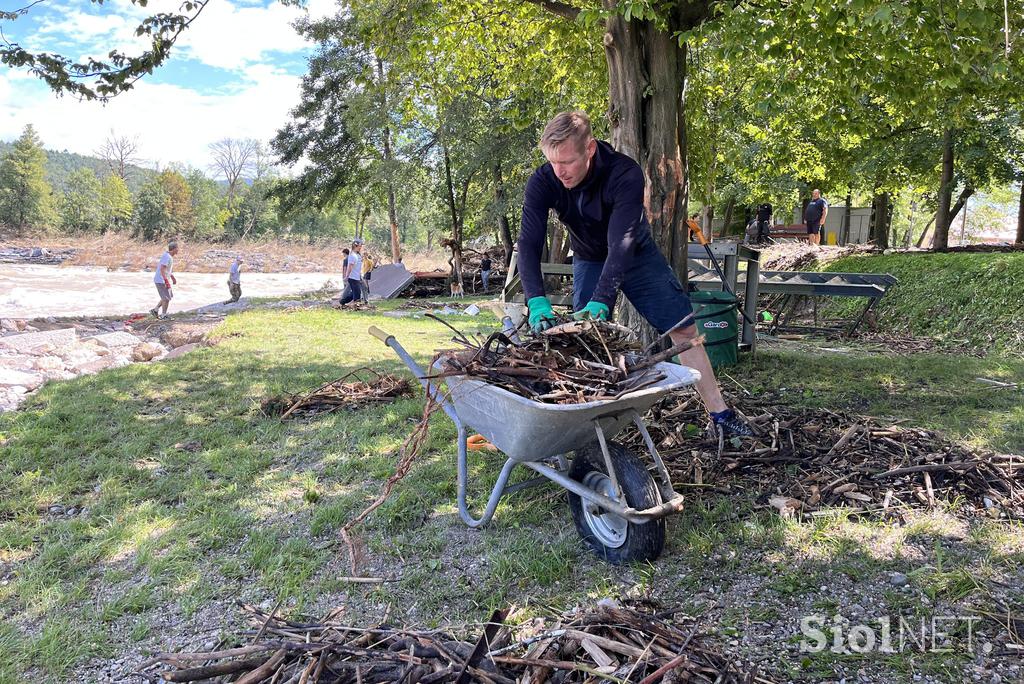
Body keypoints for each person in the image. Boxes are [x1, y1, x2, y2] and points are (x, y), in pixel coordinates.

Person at [518, 111, 752, 437]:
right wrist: (536, 299)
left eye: (567, 162)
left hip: (636, 254)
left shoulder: (623, 173)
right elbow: (528, 243)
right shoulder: (544, 180)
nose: (559, 172)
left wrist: (603, 297)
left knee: (684, 330)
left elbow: (622, 242)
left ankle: (721, 415)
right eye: (553, 162)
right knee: (582, 340)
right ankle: (583, 429)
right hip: (588, 257)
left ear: (590, 149)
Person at [150, 240, 179, 319]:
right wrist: (166, 281)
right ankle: (164, 315)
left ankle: (155, 310)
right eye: (177, 248)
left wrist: (172, 277)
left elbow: (166, 270)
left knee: (167, 296)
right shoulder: (167, 257)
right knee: (166, 298)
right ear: (173, 249)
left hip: (163, 279)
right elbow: (162, 269)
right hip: (161, 280)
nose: (178, 250)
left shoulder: (168, 256)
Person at [339, 239, 364, 305]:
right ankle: (355, 305)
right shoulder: (352, 256)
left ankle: (343, 301)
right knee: (357, 294)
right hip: (353, 278)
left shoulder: (357, 255)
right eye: (359, 246)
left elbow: (358, 267)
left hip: (356, 277)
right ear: (355, 246)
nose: (360, 247)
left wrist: (360, 276)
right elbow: (349, 267)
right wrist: (346, 276)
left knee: (354, 293)